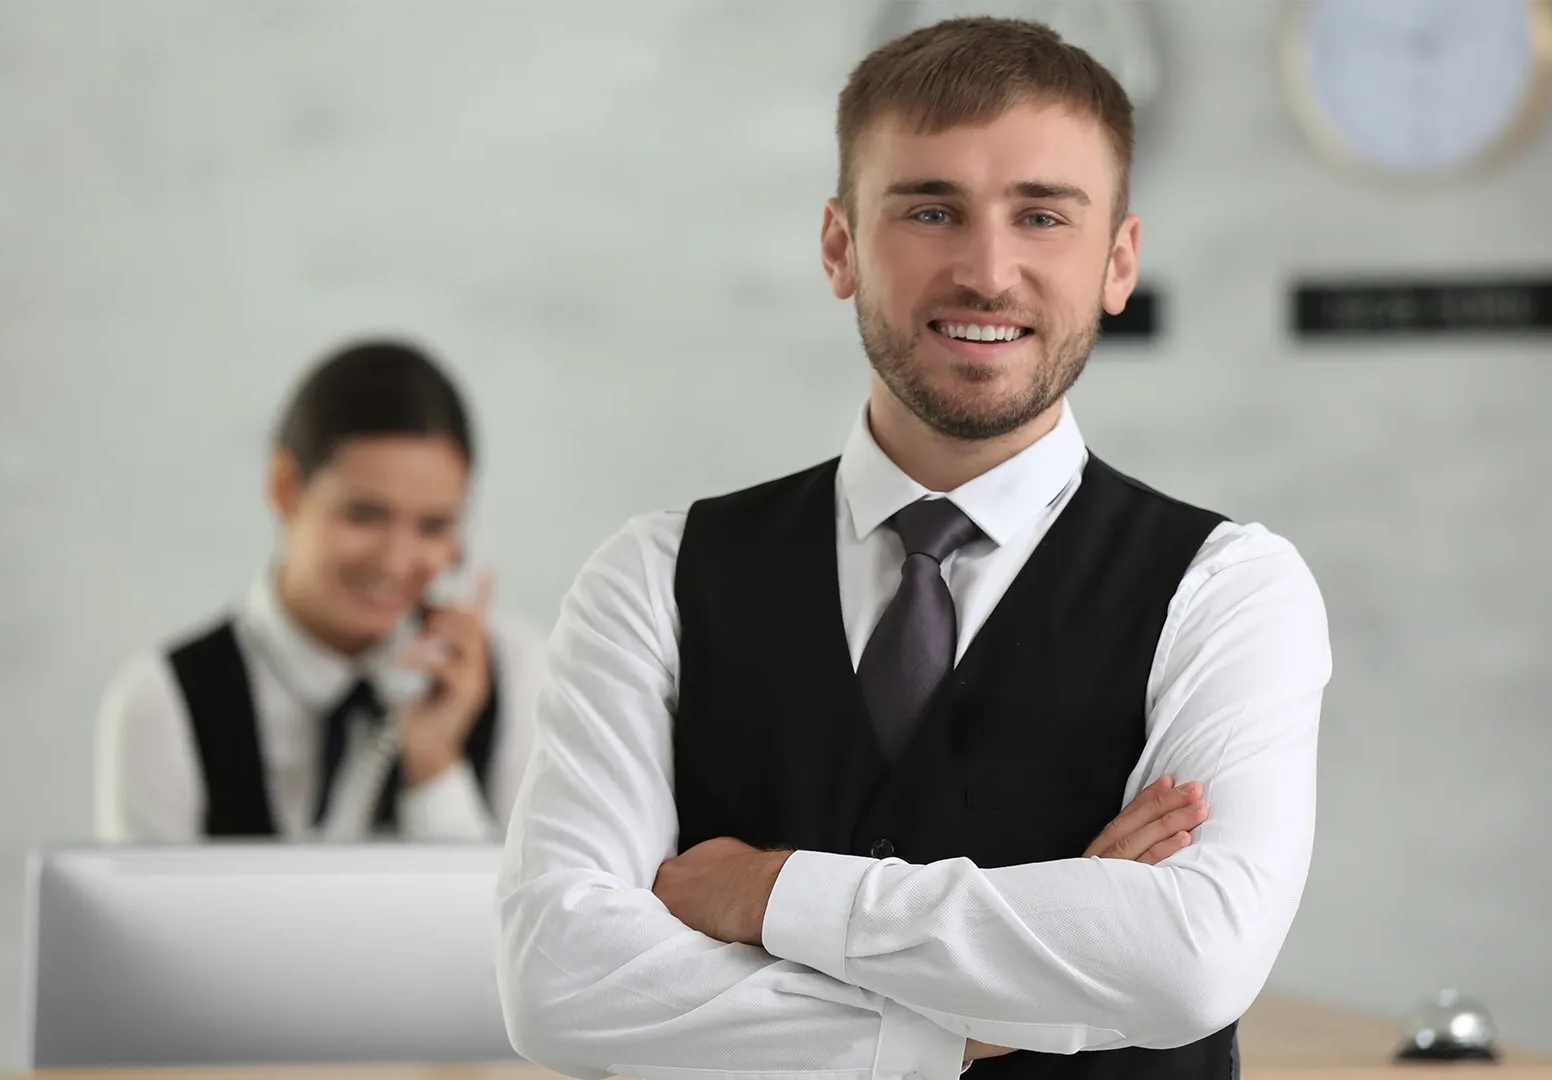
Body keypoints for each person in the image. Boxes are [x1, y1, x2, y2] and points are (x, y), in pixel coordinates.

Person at [496, 16, 1330, 1080]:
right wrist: (983, 1014)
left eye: (1042, 216)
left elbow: (1189, 966)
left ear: (1119, 262)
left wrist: (771, 893)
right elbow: (558, 986)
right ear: (840, 245)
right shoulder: (651, 579)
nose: (988, 272)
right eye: (931, 209)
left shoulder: (1229, 590)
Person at [94, 338, 546, 844]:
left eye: (434, 526)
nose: (397, 562)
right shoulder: (163, 703)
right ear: (286, 487)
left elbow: (520, 919)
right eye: (364, 516)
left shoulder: (517, 674)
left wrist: (435, 764)